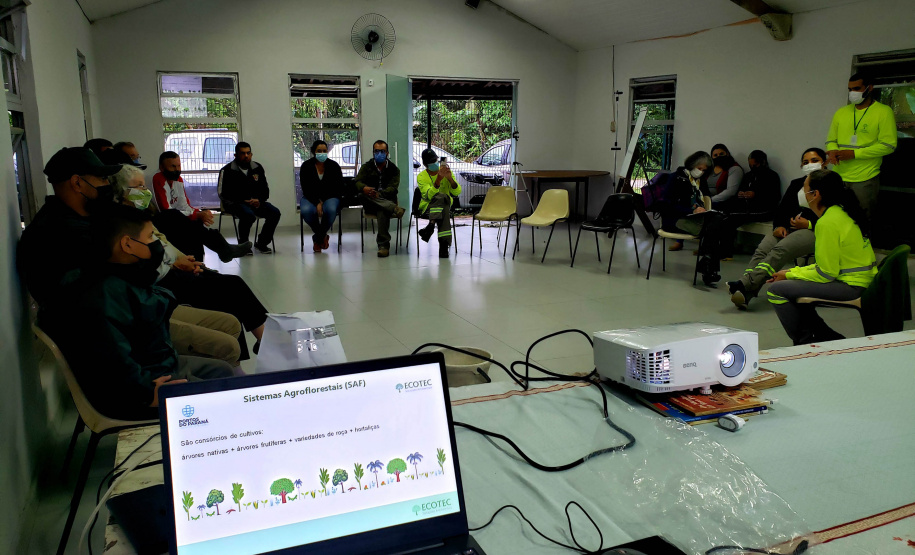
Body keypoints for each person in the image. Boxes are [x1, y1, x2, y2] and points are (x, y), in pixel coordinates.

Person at [54, 204, 235, 420]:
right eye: (150, 237)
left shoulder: (123, 275)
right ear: (128, 244)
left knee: (223, 371)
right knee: (225, 404)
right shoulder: (102, 296)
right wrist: (146, 392)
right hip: (142, 389)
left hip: (157, 364)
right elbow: (114, 361)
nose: (156, 244)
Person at [112, 160, 269, 357]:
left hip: (172, 269)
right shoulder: (123, 224)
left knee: (230, 284)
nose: (145, 190)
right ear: (121, 190)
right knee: (228, 288)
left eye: (144, 185)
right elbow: (151, 258)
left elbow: (165, 241)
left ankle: (258, 344)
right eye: (139, 186)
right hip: (161, 282)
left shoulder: (142, 213)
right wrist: (176, 264)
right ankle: (257, 345)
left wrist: (184, 260)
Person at [767, 169, 877, 345]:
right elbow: (827, 266)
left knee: (776, 290)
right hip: (860, 280)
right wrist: (791, 272)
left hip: (851, 285)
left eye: (804, 188)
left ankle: (804, 342)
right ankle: (825, 337)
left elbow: (826, 273)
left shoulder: (827, 223)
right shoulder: (841, 212)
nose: (802, 193)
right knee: (792, 287)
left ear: (815, 194)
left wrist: (788, 275)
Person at [19, 147, 122, 313]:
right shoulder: (57, 233)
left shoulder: (80, 217)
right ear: (77, 183)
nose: (107, 184)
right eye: (102, 178)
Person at [727, 148, 824, 309]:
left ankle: (744, 284)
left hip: (815, 231)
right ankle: (746, 292)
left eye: (815, 161)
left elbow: (833, 216)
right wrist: (779, 226)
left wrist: (808, 224)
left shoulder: (834, 184)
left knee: (780, 250)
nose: (810, 165)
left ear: (824, 162)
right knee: (763, 249)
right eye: (806, 162)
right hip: (789, 228)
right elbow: (782, 210)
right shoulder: (796, 184)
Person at [152, 151, 251, 262]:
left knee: (196, 223)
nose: (177, 169)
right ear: (162, 167)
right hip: (162, 221)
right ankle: (224, 249)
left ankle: (201, 261)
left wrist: (198, 213)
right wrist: (196, 215)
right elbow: (166, 210)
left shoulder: (178, 180)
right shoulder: (157, 179)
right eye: (172, 166)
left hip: (175, 217)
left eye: (179, 165)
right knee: (180, 217)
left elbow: (184, 205)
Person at [825, 72, 897, 218]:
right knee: (836, 218)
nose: (852, 93)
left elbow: (889, 145)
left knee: (862, 220)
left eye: (857, 88)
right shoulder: (841, 113)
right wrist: (832, 151)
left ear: (869, 88)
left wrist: (854, 154)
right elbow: (831, 140)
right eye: (850, 89)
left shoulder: (883, 112)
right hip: (839, 176)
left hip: (865, 178)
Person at [654, 151, 724, 286]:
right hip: (675, 219)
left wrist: (702, 208)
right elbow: (667, 205)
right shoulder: (676, 178)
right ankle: (708, 267)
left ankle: (707, 264)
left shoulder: (701, 181)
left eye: (704, 170)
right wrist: (691, 210)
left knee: (717, 219)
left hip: (695, 218)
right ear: (692, 165)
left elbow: (706, 199)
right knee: (714, 227)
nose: (701, 172)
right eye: (699, 169)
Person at [217, 142, 281, 254]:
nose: (246, 156)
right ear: (236, 155)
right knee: (248, 215)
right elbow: (223, 193)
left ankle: (261, 243)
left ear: (251, 154)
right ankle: (244, 245)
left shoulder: (257, 168)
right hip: (235, 204)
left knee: (275, 213)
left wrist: (259, 200)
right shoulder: (227, 170)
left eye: (248, 153)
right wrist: (242, 200)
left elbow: (265, 190)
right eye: (243, 153)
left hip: (256, 203)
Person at [716, 150, 781, 259]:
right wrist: (741, 193)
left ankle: (726, 253)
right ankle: (712, 248)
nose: (752, 167)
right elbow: (740, 190)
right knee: (721, 213)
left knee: (731, 219)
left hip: (764, 209)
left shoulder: (772, 176)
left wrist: (755, 195)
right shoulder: (748, 176)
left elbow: (774, 197)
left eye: (754, 165)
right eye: (750, 165)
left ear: (762, 162)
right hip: (746, 207)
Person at [354, 139, 405, 257]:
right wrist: (364, 188)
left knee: (382, 209)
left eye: (382, 151)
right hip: (369, 201)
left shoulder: (394, 169)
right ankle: (394, 208)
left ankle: (383, 246)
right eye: (377, 151)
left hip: (385, 200)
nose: (379, 154)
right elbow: (357, 182)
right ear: (373, 152)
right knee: (362, 194)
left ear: (387, 153)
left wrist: (378, 195)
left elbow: (393, 188)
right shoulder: (367, 167)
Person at [299, 140, 344, 252]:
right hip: (310, 197)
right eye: (319, 151)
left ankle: (317, 238)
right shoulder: (306, 166)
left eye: (324, 151)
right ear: (314, 152)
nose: (322, 153)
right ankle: (322, 236)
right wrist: (317, 202)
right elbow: (306, 188)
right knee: (306, 210)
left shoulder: (334, 166)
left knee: (331, 209)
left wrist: (323, 201)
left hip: (331, 197)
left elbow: (338, 187)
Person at [416, 148, 461, 258]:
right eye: (432, 162)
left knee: (444, 201)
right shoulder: (421, 176)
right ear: (426, 164)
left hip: (441, 208)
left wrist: (450, 179)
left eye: (436, 160)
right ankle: (444, 246)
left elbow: (457, 191)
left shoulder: (445, 172)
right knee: (442, 198)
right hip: (428, 207)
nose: (435, 163)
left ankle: (431, 225)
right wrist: (438, 180)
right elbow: (429, 196)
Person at [708, 144, 745, 208]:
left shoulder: (734, 169)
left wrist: (709, 201)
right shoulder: (709, 168)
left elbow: (730, 192)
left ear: (727, 154)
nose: (718, 156)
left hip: (720, 203)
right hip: (704, 200)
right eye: (715, 155)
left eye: (721, 154)